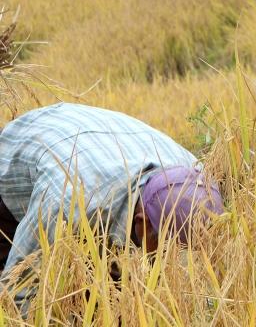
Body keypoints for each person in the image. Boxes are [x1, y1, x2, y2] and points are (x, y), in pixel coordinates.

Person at [0, 103, 223, 281]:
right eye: (169, 249)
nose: (172, 261)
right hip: (20, 151)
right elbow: (17, 289)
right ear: (142, 223)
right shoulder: (69, 203)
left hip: (95, 138)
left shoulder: (197, 179)